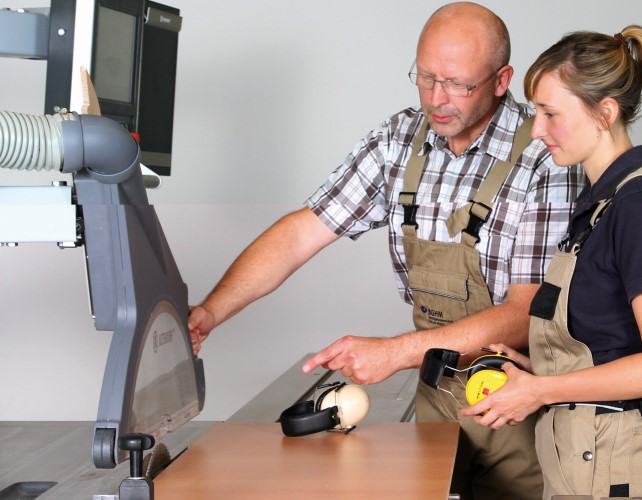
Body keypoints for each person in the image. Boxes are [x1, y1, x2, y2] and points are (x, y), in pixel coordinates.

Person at [189, 3, 584, 499]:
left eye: (457, 84)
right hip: (437, 392)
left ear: (501, 80)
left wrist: (395, 353)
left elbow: (526, 314)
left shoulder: (544, 156)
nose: (436, 98)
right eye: (426, 77)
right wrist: (211, 312)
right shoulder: (399, 140)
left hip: (515, 400)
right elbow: (300, 233)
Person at [462, 25, 642, 499]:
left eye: (551, 113)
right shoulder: (597, 205)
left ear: (605, 113)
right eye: (536, 112)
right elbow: (609, 343)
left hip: (616, 464)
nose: (537, 130)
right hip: (583, 459)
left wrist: (540, 392)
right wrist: (536, 370)